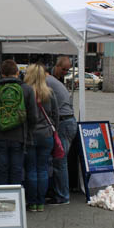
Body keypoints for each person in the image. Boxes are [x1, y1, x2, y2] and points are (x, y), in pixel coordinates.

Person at [0, 59, 37, 185]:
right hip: (19, 137)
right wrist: (29, 132)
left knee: (1, 170)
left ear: (1, 73)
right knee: (16, 170)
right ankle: (15, 201)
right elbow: (33, 116)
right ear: (17, 72)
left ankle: (2, 200)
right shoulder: (27, 89)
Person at [24, 64, 58, 212]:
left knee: (31, 169)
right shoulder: (49, 93)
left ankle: (32, 202)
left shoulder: (25, 92)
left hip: (30, 135)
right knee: (43, 169)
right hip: (46, 135)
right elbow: (56, 115)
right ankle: (41, 202)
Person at [46, 56, 76, 205]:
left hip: (64, 123)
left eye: (67, 70)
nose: (65, 72)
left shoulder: (48, 81)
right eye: (64, 69)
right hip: (68, 122)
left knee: (59, 161)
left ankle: (62, 196)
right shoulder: (54, 81)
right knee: (59, 160)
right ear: (56, 66)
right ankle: (59, 191)